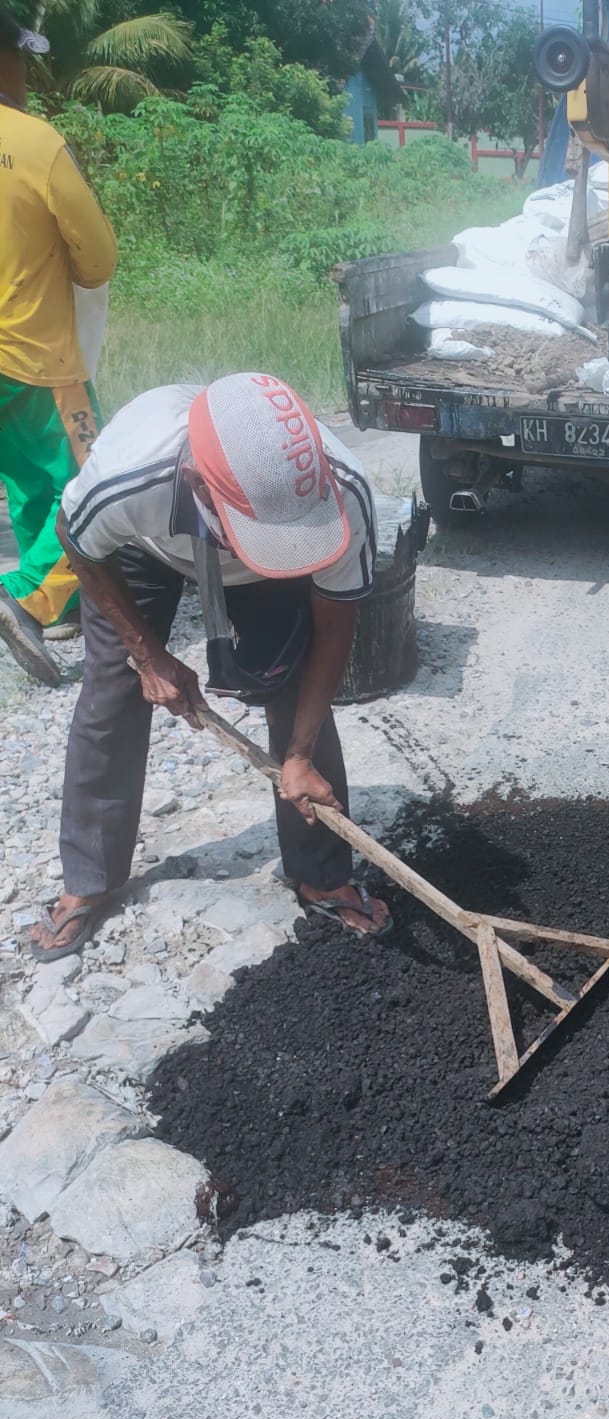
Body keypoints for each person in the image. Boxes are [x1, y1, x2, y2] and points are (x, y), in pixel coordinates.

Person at [30, 373, 391, 961]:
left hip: (270, 568)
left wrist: (296, 755)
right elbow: (77, 541)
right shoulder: (128, 476)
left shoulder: (342, 489)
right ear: (197, 481)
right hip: (140, 551)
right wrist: (148, 656)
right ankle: (88, 881)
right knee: (112, 693)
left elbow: (334, 623)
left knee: (295, 683)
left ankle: (321, 873)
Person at [0, 6, 116, 686]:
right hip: (35, 354)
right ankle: (29, 599)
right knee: (96, 479)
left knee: (27, 478)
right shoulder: (37, 144)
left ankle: (63, 600)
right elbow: (97, 259)